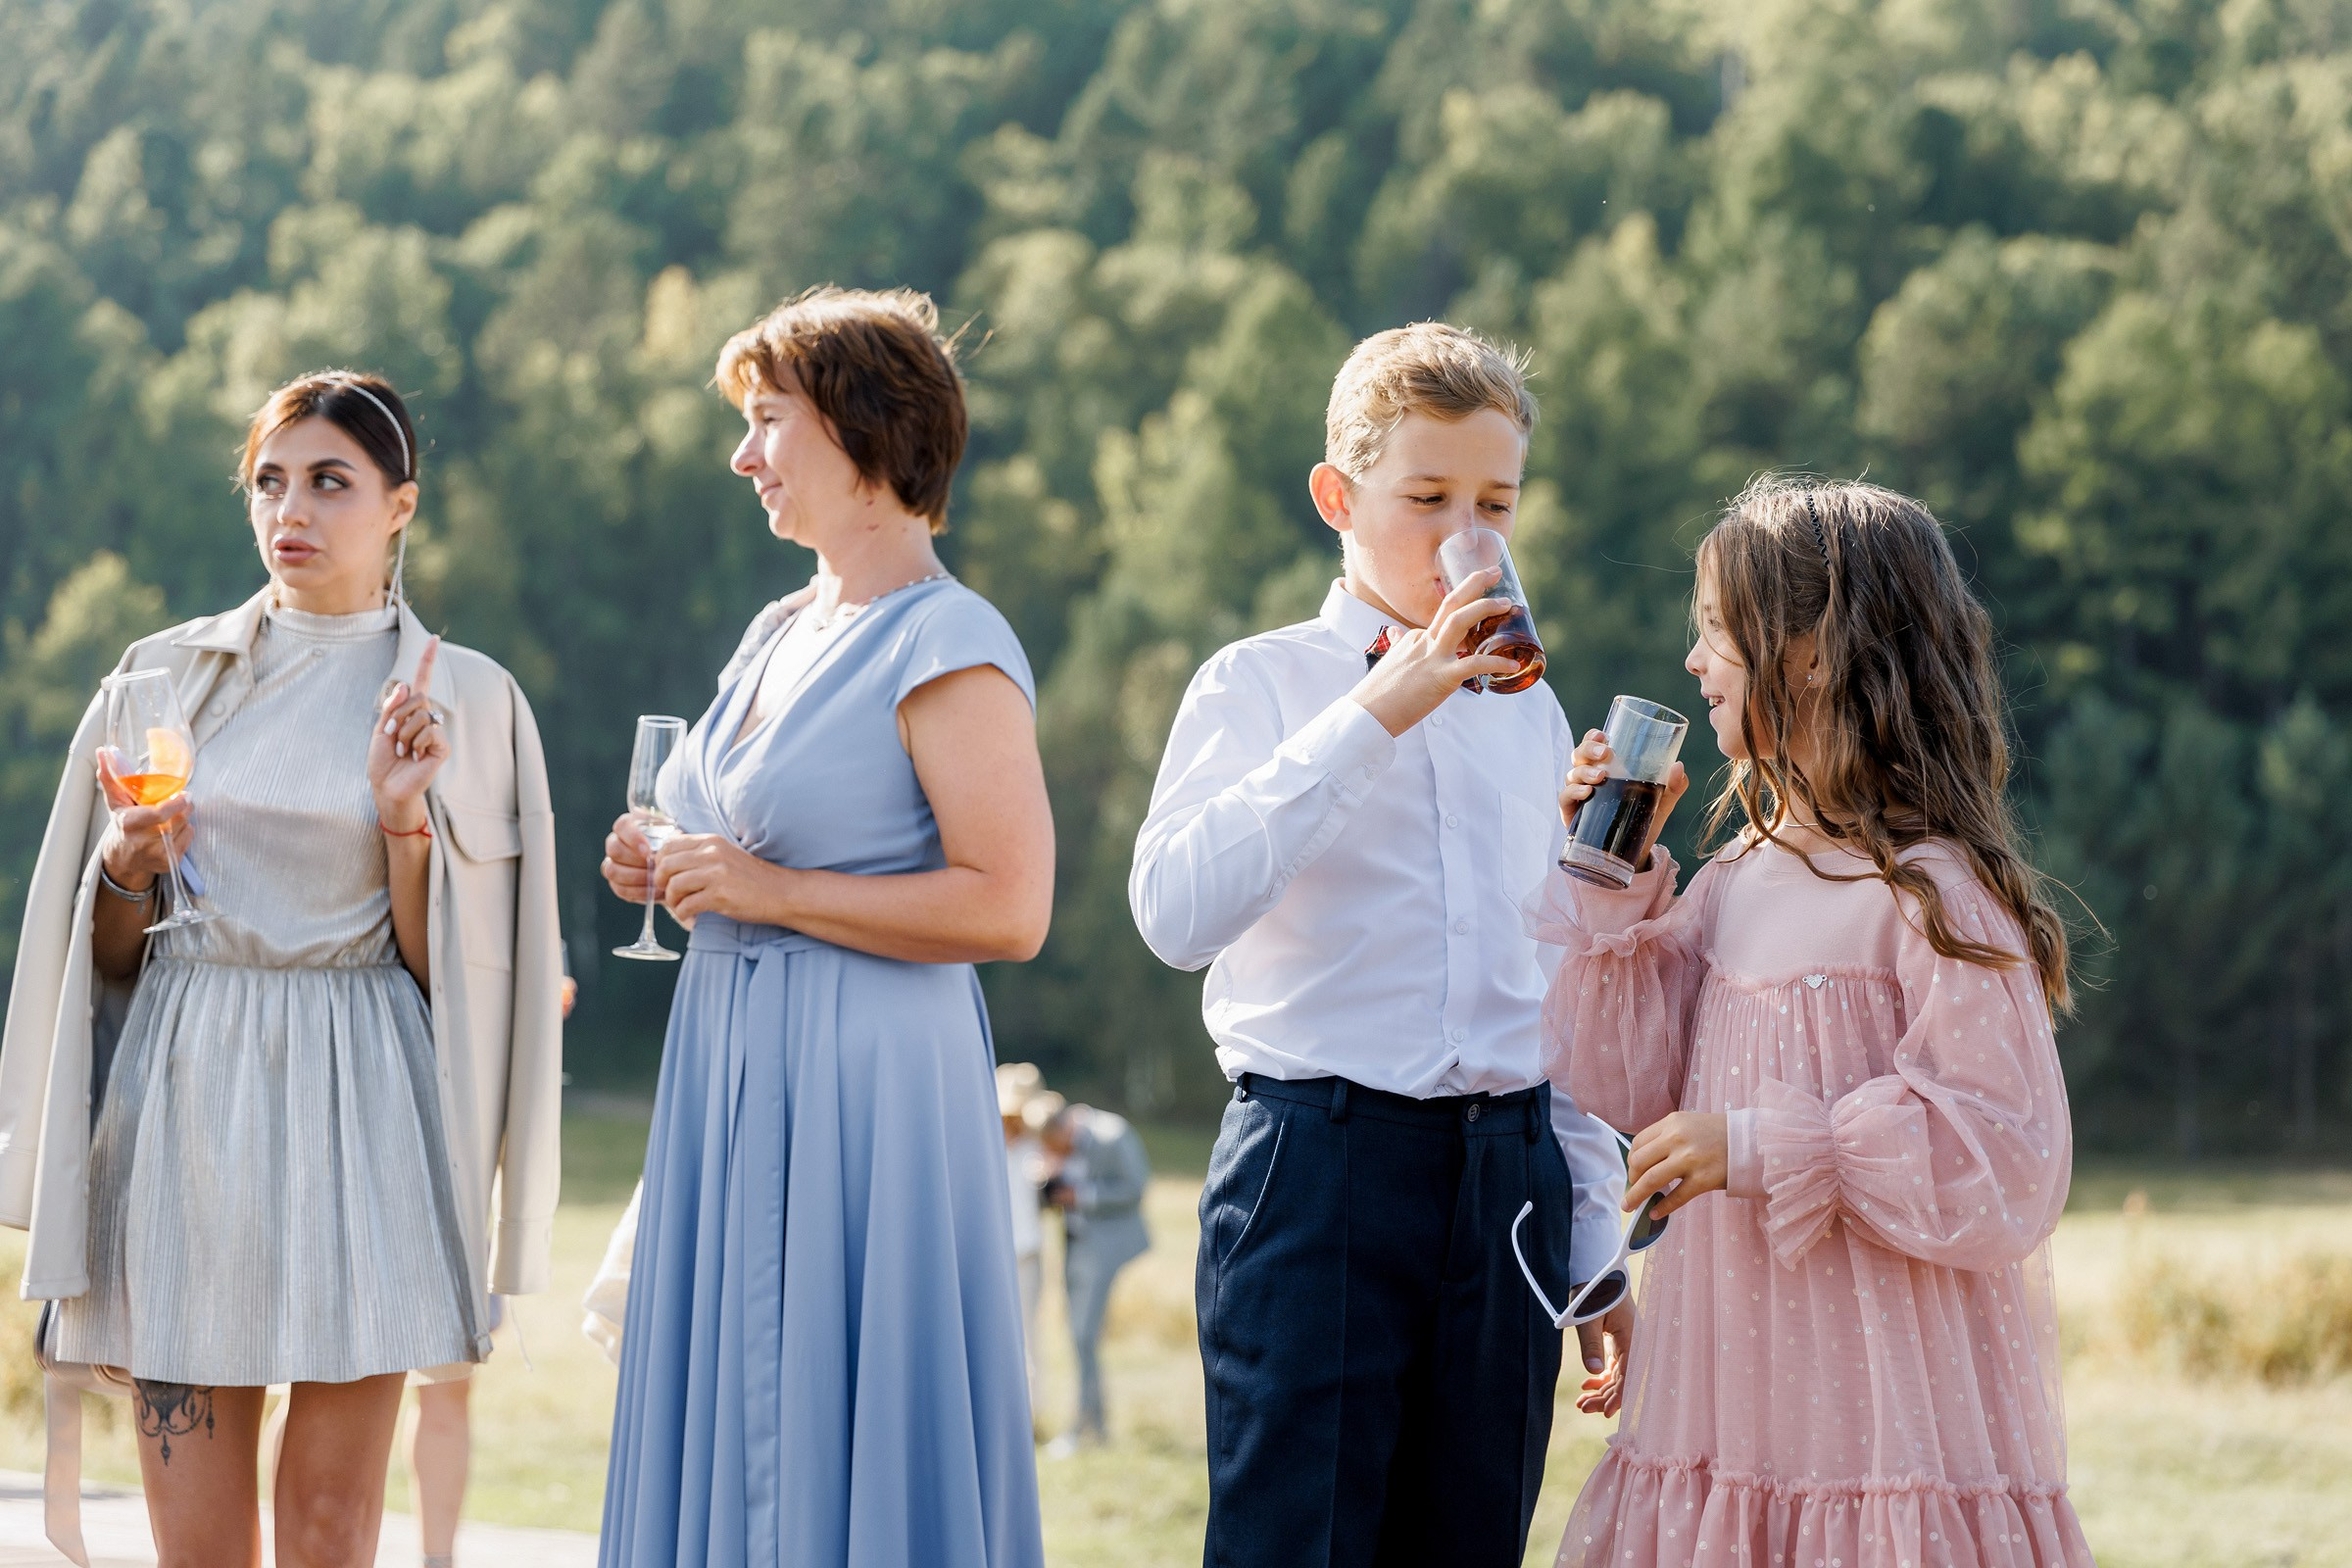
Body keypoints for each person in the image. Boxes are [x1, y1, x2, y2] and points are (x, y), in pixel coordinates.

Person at [0, 370, 564, 1568]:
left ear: (400, 504)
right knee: (199, 1546)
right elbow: (105, 966)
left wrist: (404, 818)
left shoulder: (468, 703)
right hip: (186, 1106)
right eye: (268, 480)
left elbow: (442, 977)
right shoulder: (158, 678)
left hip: (368, 1113)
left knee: (328, 1526)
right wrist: (125, 864)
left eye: (328, 481)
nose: (289, 510)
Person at [1129, 322, 1629, 1568]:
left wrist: (1597, 1238)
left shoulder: (1533, 712)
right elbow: (1173, 916)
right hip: (1320, 1170)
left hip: (1511, 1185)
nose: (1468, 533)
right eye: (1428, 498)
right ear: (1336, 497)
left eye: (1495, 502)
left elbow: (1543, 986)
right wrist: (1372, 714)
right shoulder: (1258, 684)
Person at [1534, 476, 2091, 1567]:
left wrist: (1761, 1146)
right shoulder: (1737, 876)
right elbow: (1618, 1081)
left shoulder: (1931, 896)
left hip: (1879, 1428)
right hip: (1727, 1407)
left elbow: (2008, 1159)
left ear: (1811, 653)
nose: (1692, 661)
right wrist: (1617, 871)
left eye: (1713, 631)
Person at [597, 285, 1052, 1568]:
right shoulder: (775, 629)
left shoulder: (950, 639)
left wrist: (765, 889)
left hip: (867, 1091)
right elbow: (734, 843)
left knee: (849, 1421)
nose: (744, 456)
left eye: (767, 422)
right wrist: (667, 863)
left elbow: (1010, 907)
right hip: (729, 1076)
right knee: (729, 1418)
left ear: (864, 433)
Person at [403, 964, 576, 1568]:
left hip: (459, 1137)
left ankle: (437, 1560)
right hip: (366, 1088)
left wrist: (528, 998)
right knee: (315, 1381)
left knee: (448, 1381)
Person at [1036, 1100, 1150, 1453]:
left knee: (1084, 1335)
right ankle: (1092, 1424)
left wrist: (1081, 1195)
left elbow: (1137, 1186)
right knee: (1076, 1335)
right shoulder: (1058, 1144)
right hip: (1073, 1245)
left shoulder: (1112, 1135)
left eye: (1057, 1147)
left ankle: (1086, 1427)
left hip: (1104, 1247)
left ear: (1067, 1130)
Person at [996, 1063, 1050, 1408]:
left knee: (1029, 1335)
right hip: (993, 1253)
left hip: (1027, 1249)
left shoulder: (1038, 1146)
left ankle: (1031, 1410)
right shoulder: (986, 1144)